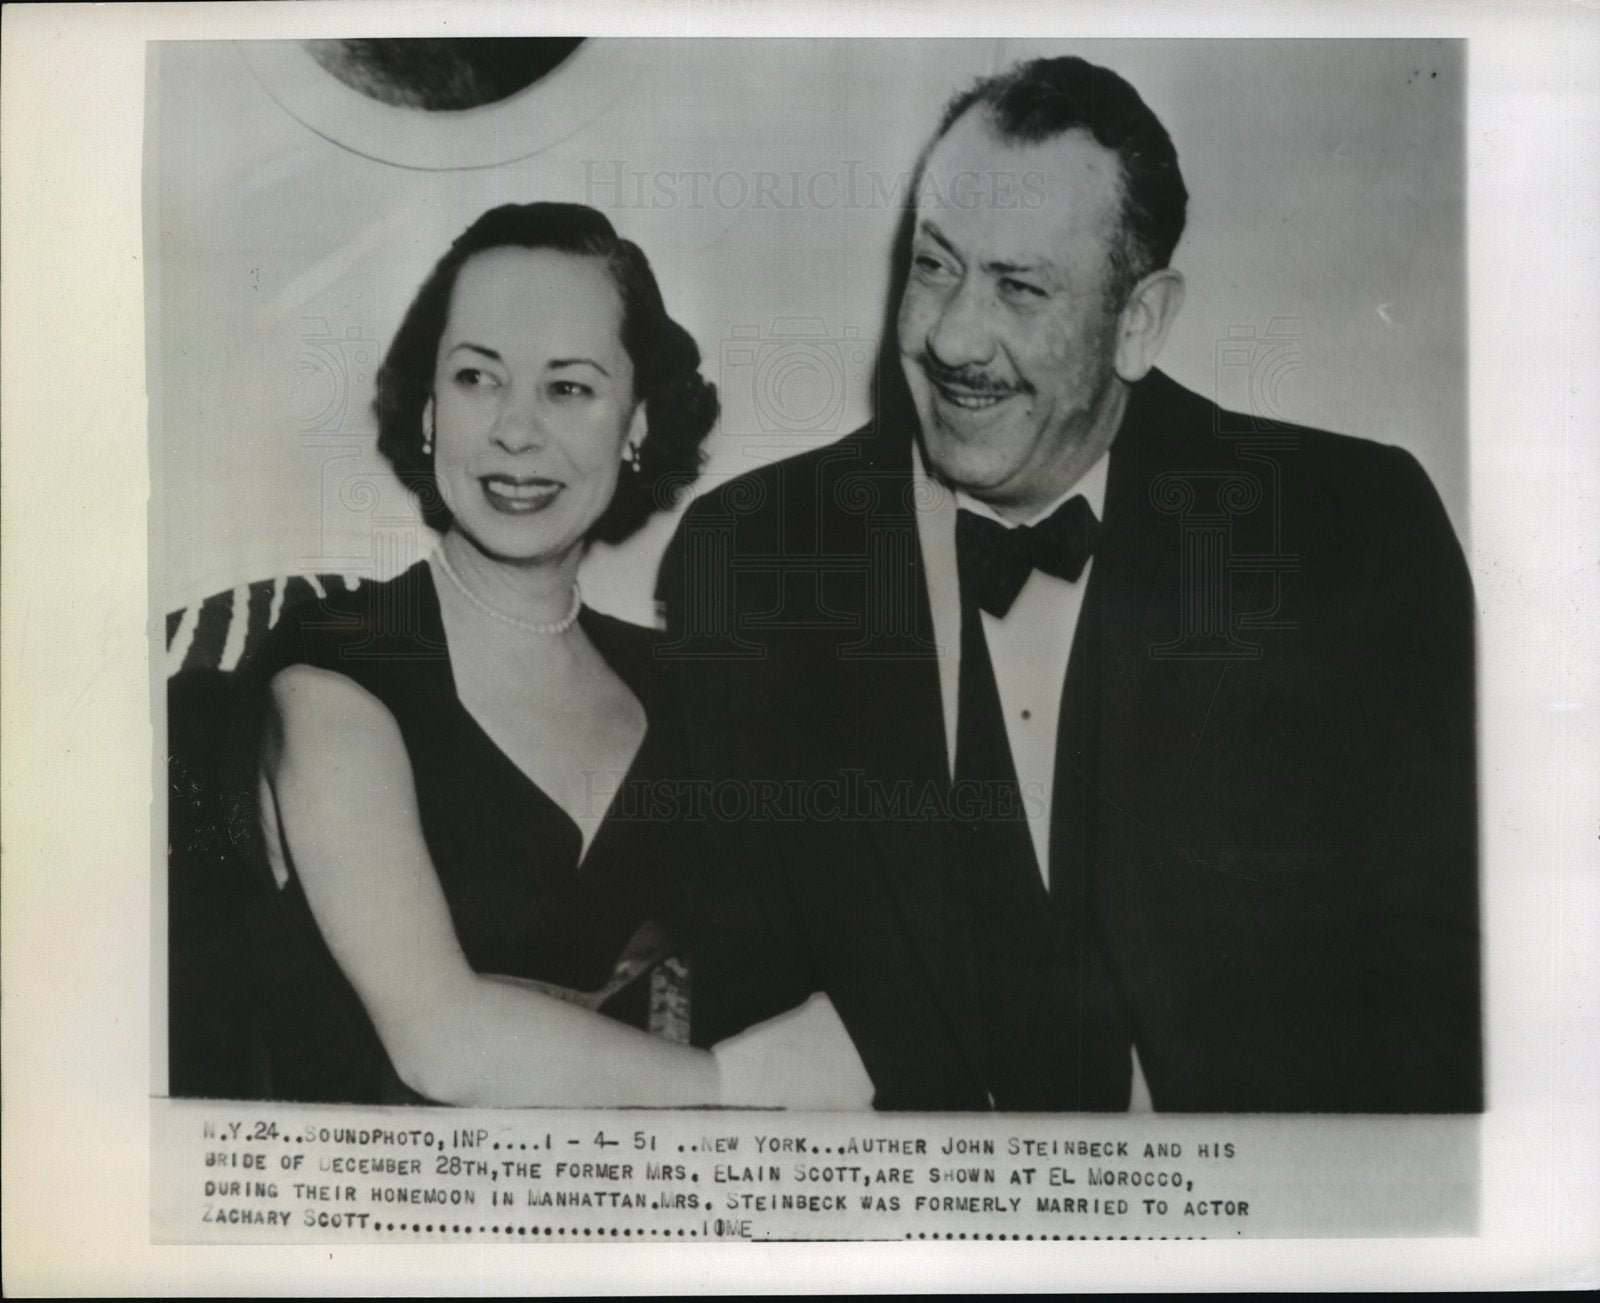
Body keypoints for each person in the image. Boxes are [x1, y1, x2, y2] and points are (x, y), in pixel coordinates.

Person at [659, 56, 1481, 1112]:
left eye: (1019, 286)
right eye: (934, 265)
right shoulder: (751, 558)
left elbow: (1445, 1003)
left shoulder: (1347, 532)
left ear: (1138, 321)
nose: (951, 336)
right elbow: (747, 1008)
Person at [243, 202, 865, 1108]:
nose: (516, 431)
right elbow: (441, 1042)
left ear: (638, 422)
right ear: (427, 410)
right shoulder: (333, 667)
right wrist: (742, 1081)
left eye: (568, 387)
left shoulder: (684, 684)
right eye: (476, 378)